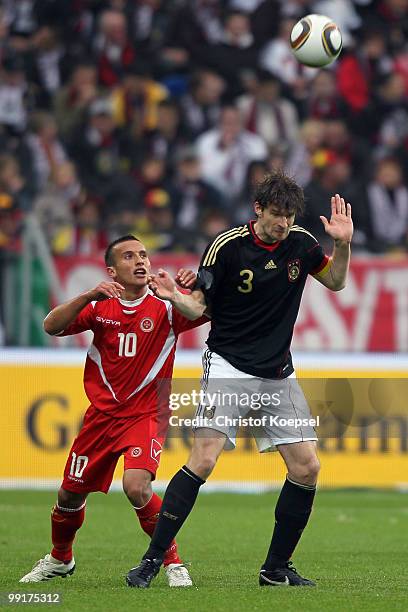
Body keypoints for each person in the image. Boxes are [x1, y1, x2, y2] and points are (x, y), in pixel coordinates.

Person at [126, 170, 353, 588]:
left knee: (307, 468)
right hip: (228, 365)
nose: (282, 223)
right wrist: (176, 297)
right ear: (258, 209)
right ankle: (152, 559)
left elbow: (336, 282)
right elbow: (198, 308)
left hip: (278, 373)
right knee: (205, 459)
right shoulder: (227, 246)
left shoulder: (301, 243)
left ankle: (275, 569)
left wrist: (342, 244)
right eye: (276, 214)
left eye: (288, 215)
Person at [20, 235, 208, 587]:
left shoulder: (167, 306)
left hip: (147, 413)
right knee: (68, 495)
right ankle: (61, 559)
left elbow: (210, 309)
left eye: (143, 255)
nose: (140, 261)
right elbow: (51, 325)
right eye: (128, 256)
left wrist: (194, 285)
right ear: (112, 271)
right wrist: (89, 295)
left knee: (136, 486)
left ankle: (173, 563)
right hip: (102, 417)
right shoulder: (99, 307)